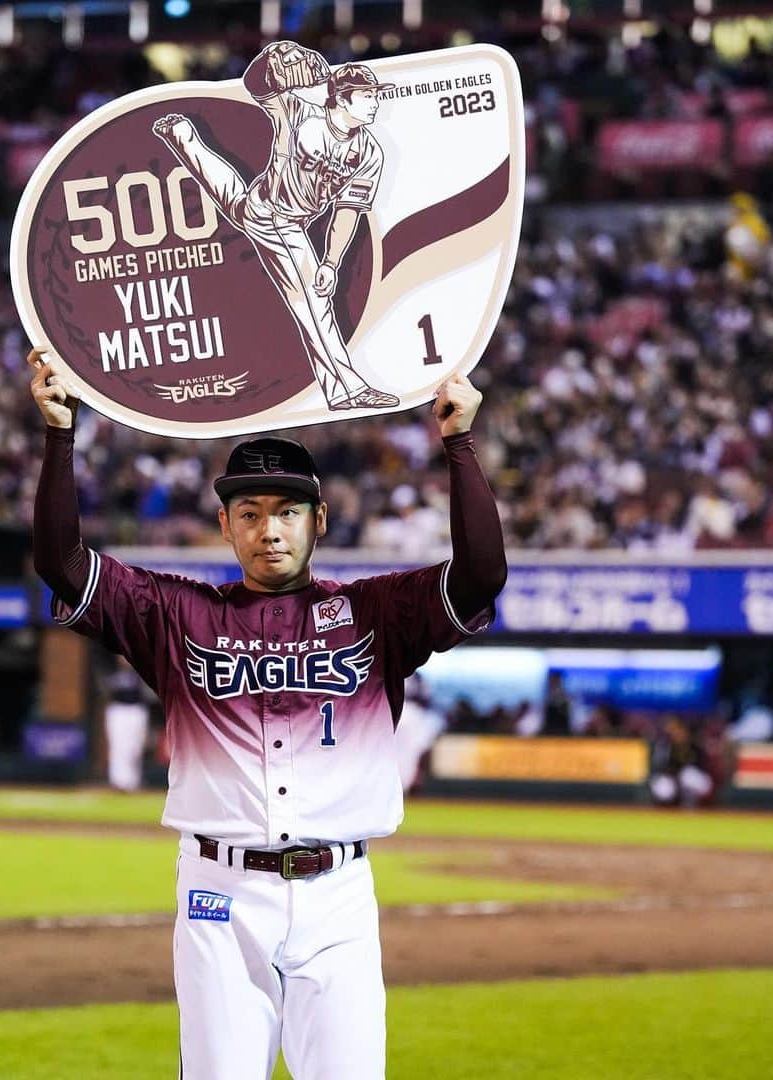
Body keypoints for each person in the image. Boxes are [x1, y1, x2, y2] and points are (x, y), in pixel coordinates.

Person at [29, 345, 506, 1080]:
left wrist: (459, 445)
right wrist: (62, 436)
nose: (269, 529)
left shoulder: (375, 614)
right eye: (249, 513)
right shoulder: (176, 615)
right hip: (220, 897)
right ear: (226, 525)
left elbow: (479, 579)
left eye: (287, 512)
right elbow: (63, 564)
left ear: (318, 519)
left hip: (338, 897)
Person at [152, 40, 398, 412]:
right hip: (276, 218)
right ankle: (349, 390)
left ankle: (182, 136)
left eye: (376, 95)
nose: (375, 102)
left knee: (234, 199)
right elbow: (255, 85)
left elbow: (347, 210)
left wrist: (331, 262)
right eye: (367, 96)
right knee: (313, 303)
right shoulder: (298, 110)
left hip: (273, 208)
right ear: (343, 99)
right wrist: (276, 57)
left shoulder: (368, 152)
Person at [104, 655, 152, 792]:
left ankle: (132, 782)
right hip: (118, 711)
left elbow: (148, 698)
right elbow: (107, 696)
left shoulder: (141, 677)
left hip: (136, 711)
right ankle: (118, 781)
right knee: (118, 746)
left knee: (134, 747)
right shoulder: (114, 676)